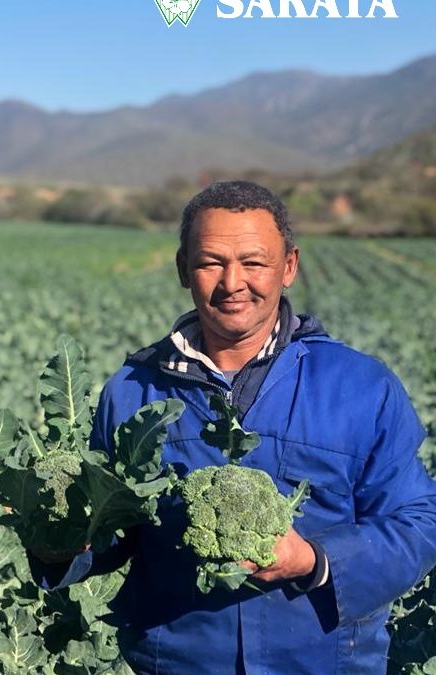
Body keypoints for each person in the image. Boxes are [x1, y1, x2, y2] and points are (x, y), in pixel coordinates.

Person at [34, 181, 436, 673]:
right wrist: (61, 544)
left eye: (253, 262)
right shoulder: (133, 392)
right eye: (210, 263)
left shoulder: (362, 387)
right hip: (177, 662)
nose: (232, 282)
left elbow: (419, 523)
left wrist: (312, 559)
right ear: (183, 268)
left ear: (288, 266)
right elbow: (111, 534)